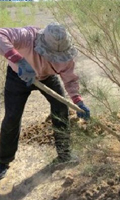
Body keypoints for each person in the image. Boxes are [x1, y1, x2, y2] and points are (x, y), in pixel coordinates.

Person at [0, 22, 90, 179]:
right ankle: (3, 160)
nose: (56, 58)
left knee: (61, 108)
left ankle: (64, 154)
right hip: (18, 76)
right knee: (12, 117)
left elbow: (69, 80)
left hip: (47, 78)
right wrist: (19, 60)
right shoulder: (27, 36)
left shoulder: (66, 55)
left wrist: (78, 100)